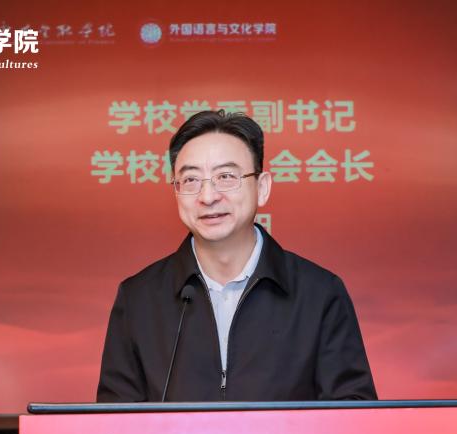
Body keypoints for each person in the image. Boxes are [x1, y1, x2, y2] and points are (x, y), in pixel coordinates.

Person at [96, 110, 376, 402]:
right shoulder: (138, 299)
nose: (208, 196)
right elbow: (113, 423)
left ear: (262, 188)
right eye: (190, 180)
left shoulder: (319, 294)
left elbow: (353, 415)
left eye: (226, 177)